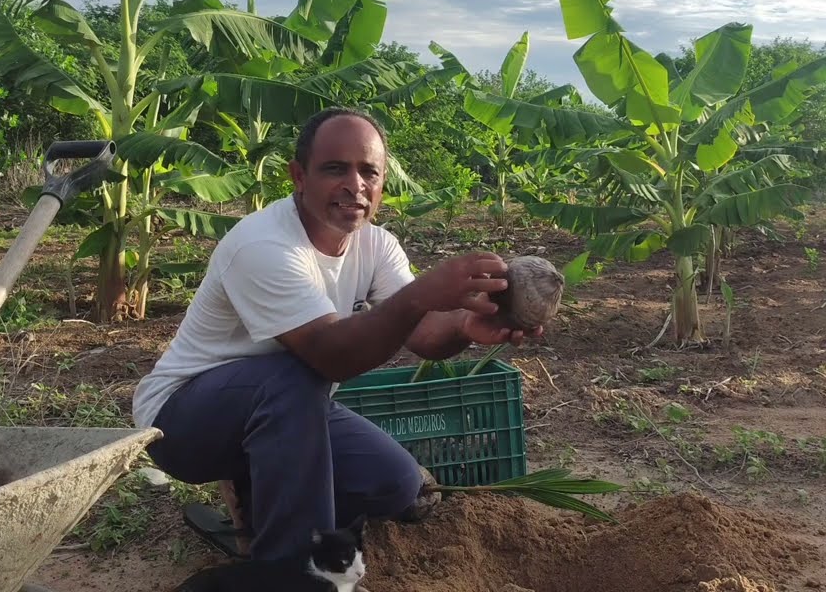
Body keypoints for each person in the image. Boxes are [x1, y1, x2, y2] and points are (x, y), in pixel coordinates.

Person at [130, 106, 540, 562]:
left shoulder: (377, 245)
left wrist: (466, 325)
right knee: (296, 374)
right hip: (183, 419)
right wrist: (422, 294)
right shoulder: (263, 245)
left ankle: (255, 498)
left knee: (395, 484)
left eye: (369, 171)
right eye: (334, 169)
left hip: (285, 410)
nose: (355, 185)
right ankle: (293, 572)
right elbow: (331, 357)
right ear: (298, 176)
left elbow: (424, 336)